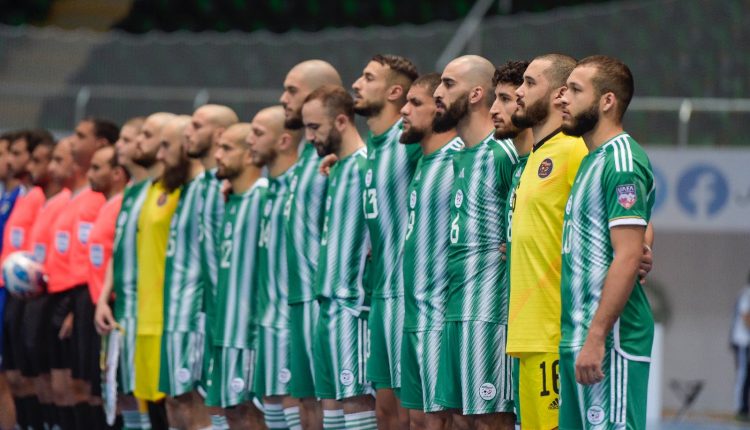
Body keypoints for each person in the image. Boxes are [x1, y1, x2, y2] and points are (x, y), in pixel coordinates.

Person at [557, 55, 655, 430]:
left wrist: (597, 336)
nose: (563, 98)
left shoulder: (622, 160)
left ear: (607, 101)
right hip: (579, 337)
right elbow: (640, 236)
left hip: (609, 342)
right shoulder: (591, 160)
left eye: (575, 90)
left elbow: (628, 257)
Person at [431, 55, 518, 430]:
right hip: (453, 308)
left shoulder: (504, 153)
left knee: (489, 420)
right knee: (458, 420)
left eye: (448, 84)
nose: (438, 92)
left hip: (488, 311)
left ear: (476, 94)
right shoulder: (457, 156)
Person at [506, 53, 587, 430]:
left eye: (529, 83)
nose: (519, 93)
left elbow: (627, 223)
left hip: (553, 332)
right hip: (526, 332)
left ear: (559, 95)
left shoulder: (574, 151)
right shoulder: (536, 155)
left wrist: (643, 248)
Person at [351, 55, 421, 430]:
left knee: (410, 414)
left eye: (367, 77)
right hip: (380, 295)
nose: (356, 84)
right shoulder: (371, 150)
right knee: (383, 414)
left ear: (395, 91)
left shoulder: (410, 142)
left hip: (407, 296)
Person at [302, 85, 374, 430]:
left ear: (342, 121)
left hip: (352, 306)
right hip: (326, 306)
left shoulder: (367, 165)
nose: (308, 136)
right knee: (332, 412)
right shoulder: (338, 168)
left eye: (315, 127)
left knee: (356, 404)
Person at [397, 73, 462, 430]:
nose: (404, 111)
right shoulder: (421, 160)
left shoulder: (458, 159)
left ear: (439, 109)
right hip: (414, 317)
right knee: (416, 421)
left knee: (441, 421)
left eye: (415, 103)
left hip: (439, 318)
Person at [280, 60, 340, 430]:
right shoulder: (305, 154)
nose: (283, 99)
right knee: (304, 405)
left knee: (331, 404)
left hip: (325, 300)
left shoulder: (337, 156)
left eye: (292, 91)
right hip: (297, 298)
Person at [46, 117, 117, 428]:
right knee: (76, 384)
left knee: (99, 387)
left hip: (98, 300)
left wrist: (90, 300)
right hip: (78, 296)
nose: (73, 142)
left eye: (79, 135)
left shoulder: (106, 201)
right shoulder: (84, 200)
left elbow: (104, 259)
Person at [204, 122, 267, 429]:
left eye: (227, 148)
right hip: (224, 327)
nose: (217, 155)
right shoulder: (230, 198)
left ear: (249, 155)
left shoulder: (264, 196)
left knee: (251, 412)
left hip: (250, 331)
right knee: (229, 412)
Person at [94, 116, 154, 430]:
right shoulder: (129, 193)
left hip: (148, 312)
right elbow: (117, 254)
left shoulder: (155, 191)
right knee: (125, 394)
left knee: (152, 395)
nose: (121, 146)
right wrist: (104, 299)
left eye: (130, 140)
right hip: (123, 310)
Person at [183, 104, 239, 429]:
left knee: (237, 405)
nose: (187, 133)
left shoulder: (233, 188)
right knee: (204, 396)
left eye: (196, 125)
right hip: (204, 312)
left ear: (219, 134)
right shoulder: (200, 185)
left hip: (230, 314)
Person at [246, 106, 302, 429]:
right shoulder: (269, 189)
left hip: (289, 322)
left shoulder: (305, 183)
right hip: (266, 323)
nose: (249, 141)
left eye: (258, 133)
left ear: (283, 141)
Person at [158, 113, 212, 429]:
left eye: (168, 145)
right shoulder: (188, 190)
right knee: (175, 401)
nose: (161, 155)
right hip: (175, 312)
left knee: (195, 402)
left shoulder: (209, 187)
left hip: (195, 314)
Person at [0, 130, 54, 430]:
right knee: (13, 375)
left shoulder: (36, 198)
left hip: (23, 295)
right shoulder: (14, 197)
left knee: (25, 375)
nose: (9, 160)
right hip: (8, 292)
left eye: (14, 153)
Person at [132, 113, 181, 429]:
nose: (141, 142)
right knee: (149, 407)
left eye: (161, 141)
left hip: (171, 317)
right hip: (143, 316)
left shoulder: (183, 193)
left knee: (177, 406)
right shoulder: (151, 190)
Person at [731, 272, 750, 421]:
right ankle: (740, 408)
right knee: (743, 375)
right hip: (743, 342)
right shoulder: (747, 293)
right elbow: (746, 318)